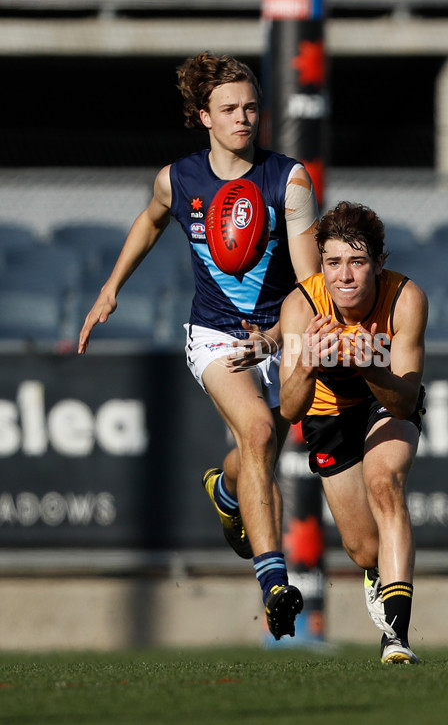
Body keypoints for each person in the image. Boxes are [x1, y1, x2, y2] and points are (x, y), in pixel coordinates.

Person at [78, 51, 321, 641]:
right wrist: (111, 288)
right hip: (213, 335)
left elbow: (311, 289)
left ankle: (225, 489)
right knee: (261, 434)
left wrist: (273, 339)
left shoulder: (287, 179)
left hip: (278, 336)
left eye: (252, 107)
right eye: (230, 109)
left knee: (255, 448)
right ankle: (275, 585)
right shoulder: (177, 177)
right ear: (202, 116)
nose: (244, 118)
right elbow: (152, 218)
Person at [278, 201, 427, 663]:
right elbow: (289, 407)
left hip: (385, 394)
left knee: (385, 482)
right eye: (334, 262)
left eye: (358, 262)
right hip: (327, 411)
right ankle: (374, 572)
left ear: (379, 264)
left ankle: (396, 637)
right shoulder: (301, 306)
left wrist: (368, 365)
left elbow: (403, 401)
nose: (345, 276)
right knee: (363, 549)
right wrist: (307, 364)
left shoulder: (405, 298)